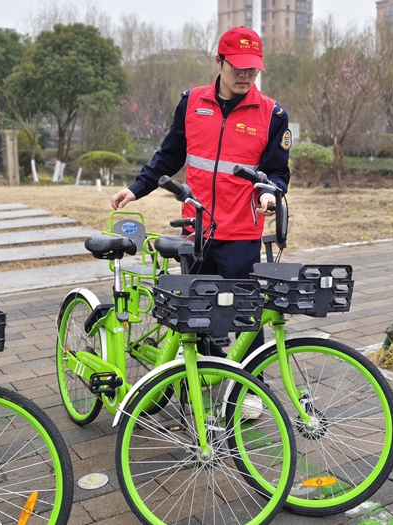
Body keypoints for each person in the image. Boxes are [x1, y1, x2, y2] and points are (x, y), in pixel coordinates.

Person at [111, 26, 291, 355]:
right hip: (197, 230)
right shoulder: (191, 102)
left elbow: (277, 172)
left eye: (252, 69)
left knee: (246, 315)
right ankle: (199, 378)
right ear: (219, 62)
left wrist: (269, 193)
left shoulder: (273, 115)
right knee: (197, 315)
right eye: (238, 67)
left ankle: (251, 381)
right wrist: (136, 189)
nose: (245, 75)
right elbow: (169, 156)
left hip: (241, 234)